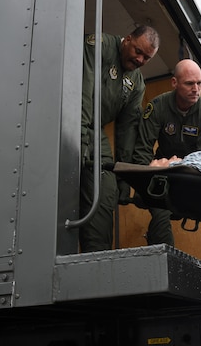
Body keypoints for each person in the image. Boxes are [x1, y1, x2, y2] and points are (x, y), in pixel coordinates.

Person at [132, 59, 201, 276]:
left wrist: (176, 164)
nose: (196, 89)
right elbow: (143, 150)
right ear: (174, 83)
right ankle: (165, 270)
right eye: (189, 83)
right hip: (164, 176)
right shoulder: (158, 107)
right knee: (160, 212)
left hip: (198, 179)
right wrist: (144, 178)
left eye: (199, 83)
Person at [79, 25, 160, 252]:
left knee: (106, 188)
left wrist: (125, 178)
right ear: (127, 39)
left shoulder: (137, 84)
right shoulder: (100, 46)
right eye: (138, 51)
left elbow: (127, 131)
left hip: (96, 131)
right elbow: (82, 95)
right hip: (69, 121)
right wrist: (79, 139)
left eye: (147, 58)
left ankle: (96, 256)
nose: (140, 59)